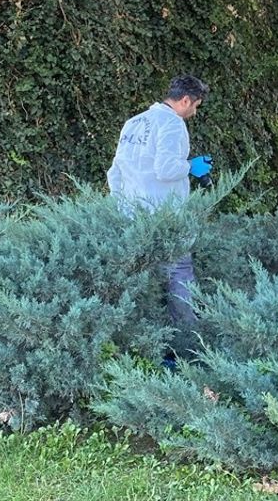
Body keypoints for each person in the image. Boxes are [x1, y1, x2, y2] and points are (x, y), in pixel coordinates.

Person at [107, 75, 213, 361]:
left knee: (145, 286)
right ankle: (189, 351)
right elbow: (166, 169)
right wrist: (192, 166)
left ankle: (145, 350)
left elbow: (114, 173)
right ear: (185, 100)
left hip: (133, 221)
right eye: (196, 106)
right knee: (179, 281)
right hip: (167, 222)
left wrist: (123, 210)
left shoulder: (135, 122)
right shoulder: (172, 124)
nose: (194, 113)